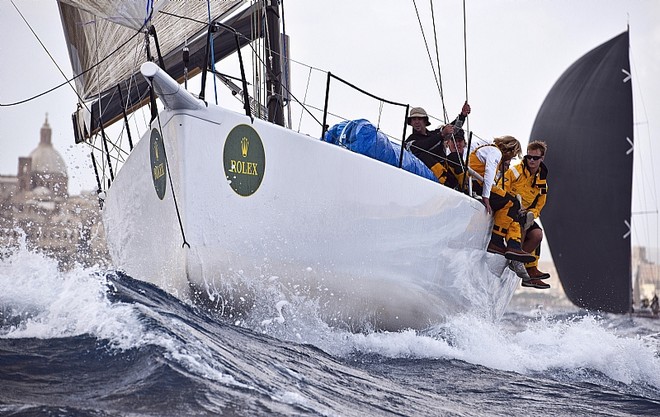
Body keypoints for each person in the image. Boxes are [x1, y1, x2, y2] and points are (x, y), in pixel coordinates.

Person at [468, 136, 535, 264]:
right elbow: (489, 172)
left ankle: (514, 246)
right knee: (512, 203)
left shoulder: (490, 150)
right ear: (509, 150)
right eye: (513, 155)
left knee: (512, 206)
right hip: (477, 182)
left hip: (476, 181)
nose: (510, 159)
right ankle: (497, 241)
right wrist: (486, 197)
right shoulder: (496, 152)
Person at [504, 140, 550, 289]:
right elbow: (502, 187)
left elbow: (540, 205)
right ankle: (518, 259)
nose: (531, 160)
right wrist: (514, 204)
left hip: (526, 214)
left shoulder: (542, 183)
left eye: (535, 158)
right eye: (528, 157)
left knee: (537, 234)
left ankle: (522, 263)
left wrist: (532, 213)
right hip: (510, 210)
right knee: (523, 222)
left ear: (541, 159)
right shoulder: (515, 171)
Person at [405, 102, 470, 183]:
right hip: (431, 177)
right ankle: (445, 182)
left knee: (455, 156)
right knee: (423, 155)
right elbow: (420, 147)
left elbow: (452, 128)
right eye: (414, 119)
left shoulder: (434, 134)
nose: (417, 122)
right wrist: (441, 134)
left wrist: (462, 115)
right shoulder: (409, 141)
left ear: (425, 121)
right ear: (410, 123)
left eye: (419, 119)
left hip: (447, 171)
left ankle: (465, 186)